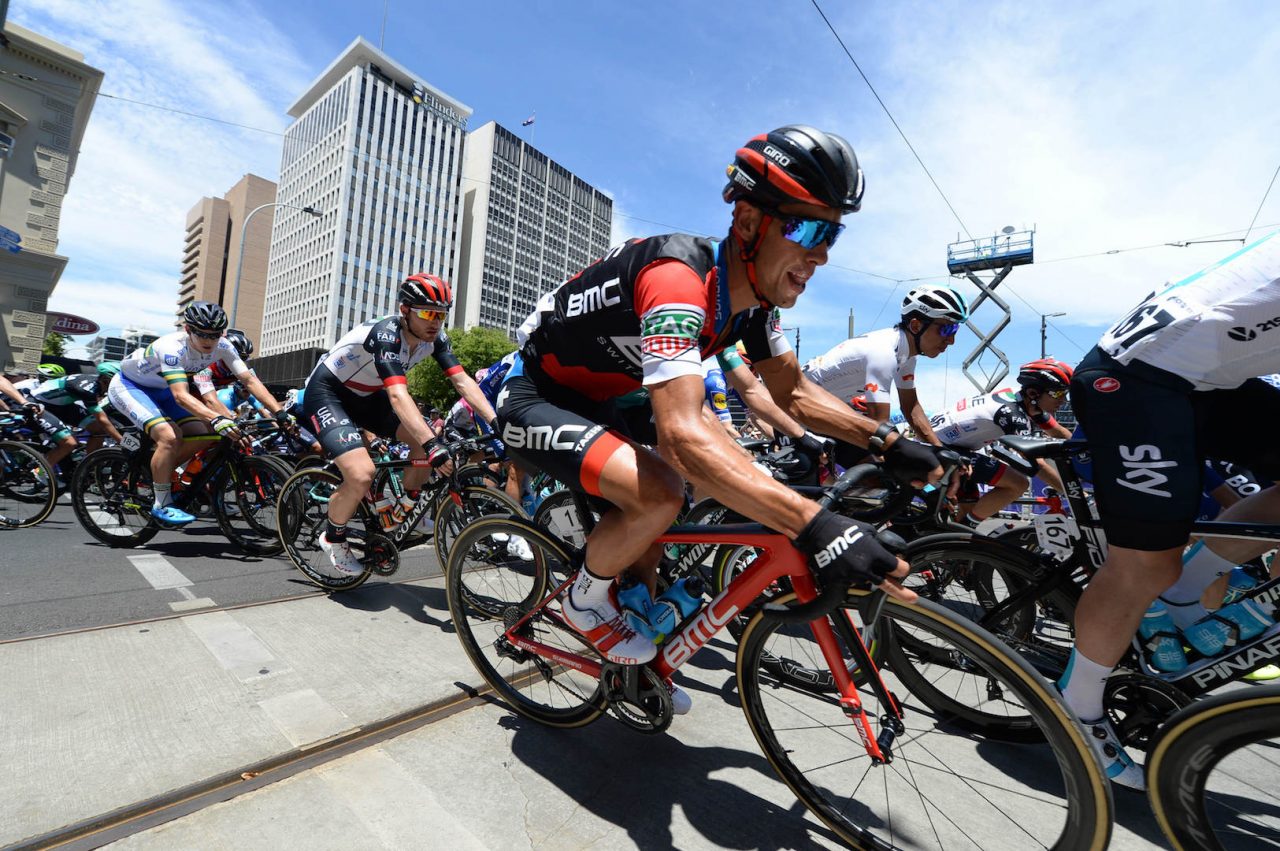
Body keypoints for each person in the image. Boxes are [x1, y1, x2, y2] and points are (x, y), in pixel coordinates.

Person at [497, 125, 942, 712]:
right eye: (807, 228)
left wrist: (884, 440)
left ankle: (635, 665)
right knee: (662, 488)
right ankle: (582, 600)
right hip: (535, 393)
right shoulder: (678, 277)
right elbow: (681, 431)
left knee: (667, 523)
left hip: (606, 401)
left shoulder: (753, 308)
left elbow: (795, 393)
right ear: (751, 221)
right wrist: (812, 524)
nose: (821, 254)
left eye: (831, 234)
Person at [1056, 230, 1280, 790]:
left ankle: (1183, 593)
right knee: (1148, 562)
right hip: (1136, 377)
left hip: (1208, 379)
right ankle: (1076, 706)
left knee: (1172, 572)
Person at [302, 273, 498, 576]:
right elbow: (397, 393)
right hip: (330, 393)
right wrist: (433, 446)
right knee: (362, 474)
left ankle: (408, 507)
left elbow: (462, 381)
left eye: (442, 315)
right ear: (405, 310)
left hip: (368, 396)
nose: (436, 322)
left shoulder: (436, 339)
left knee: (425, 440)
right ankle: (333, 536)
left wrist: (496, 421)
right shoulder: (386, 334)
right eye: (428, 313)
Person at [107, 301, 289, 526]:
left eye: (214, 335)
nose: (208, 340)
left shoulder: (223, 346)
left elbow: (250, 380)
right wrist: (218, 417)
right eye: (201, 334)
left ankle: (164, 467)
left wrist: (280, 413)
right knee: (169, 436)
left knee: (209, 433)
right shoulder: (172, 347)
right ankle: (162, 503)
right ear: (187, 330)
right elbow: (181, 396)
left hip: (161, 390)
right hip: (130, 387)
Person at [802, 285, 967, 467]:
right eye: (946, 330)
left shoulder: (906, 356)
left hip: (827, 411)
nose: (951, 340)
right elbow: (879, 424)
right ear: (915, 325)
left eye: (955, 330)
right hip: (799, 409)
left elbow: (911, 408)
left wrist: (941, 452)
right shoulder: (883, 352)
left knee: (881, 479)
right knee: (884, 471)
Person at [928, 357, 1072, 523]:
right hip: (939, 447)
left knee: (968, 511)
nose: (1064, 400)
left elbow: (1060, 432)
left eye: (1065, 393)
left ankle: (957, 540)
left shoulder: (1026, 403)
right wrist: (1070, 492)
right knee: (1018, 483)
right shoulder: (1012, 413)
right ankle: (966, 529)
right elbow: (1036, 464)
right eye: (1058, 393)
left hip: (953, 447)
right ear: (1033, 393)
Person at [20, 362, 126, 470]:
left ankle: (89, 467)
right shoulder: (88, 389)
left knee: (99, 431)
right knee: (69, 443)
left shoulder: (96, 383)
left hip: (63, 405)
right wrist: (122, 442)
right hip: (41, 404)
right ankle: (40, 471)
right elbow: (102, 419)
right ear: (106, 380)